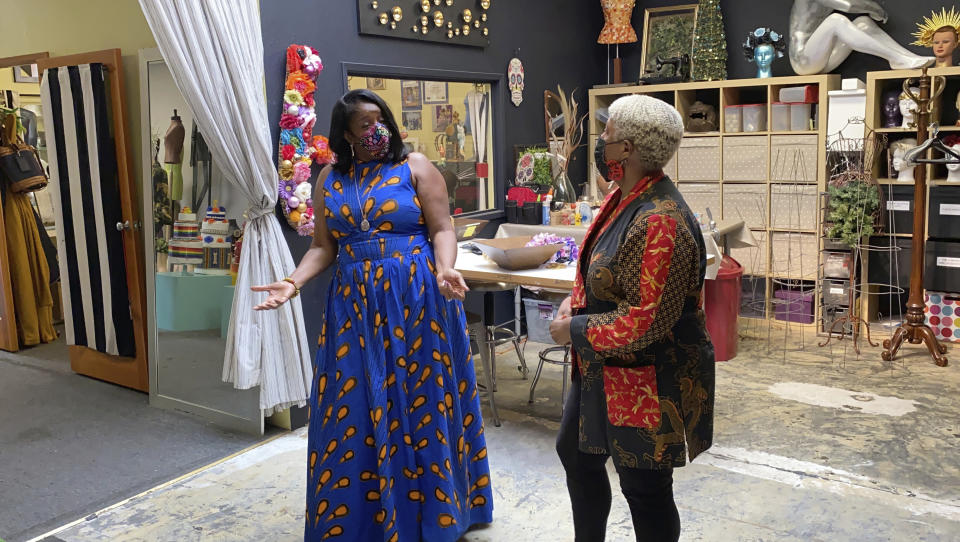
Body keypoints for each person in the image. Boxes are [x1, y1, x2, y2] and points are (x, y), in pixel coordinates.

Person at [252, 89, 493, 541]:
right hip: (354, 307)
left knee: (423, 400)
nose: (376, 129)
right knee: (354, 405)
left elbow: (442, 228)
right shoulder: (330, 178)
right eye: (365, 124)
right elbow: (324, 246)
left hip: (418, 298)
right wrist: (293, 281)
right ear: (345, 132)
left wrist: (446, 269)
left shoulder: (415, 167)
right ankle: (362, 521)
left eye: (380, 119)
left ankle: (437, 516)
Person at [549, 94, 715, 542]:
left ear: (630, 149)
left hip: (646, 377)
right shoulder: (625, 197)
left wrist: (573, 330)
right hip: (603, 368)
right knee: (578, 456)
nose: (601, 141)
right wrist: (575, 301)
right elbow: (601, 270)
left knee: (644, 488)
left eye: (609, 134)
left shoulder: (661, 218)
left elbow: (647, 320)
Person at [789, 0, 933, 75]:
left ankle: (903, 57)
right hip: (803, 61)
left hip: (822, 59)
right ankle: (895, 58)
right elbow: (848, 5)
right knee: (836, 21)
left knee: (863, 23)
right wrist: (876, 9)